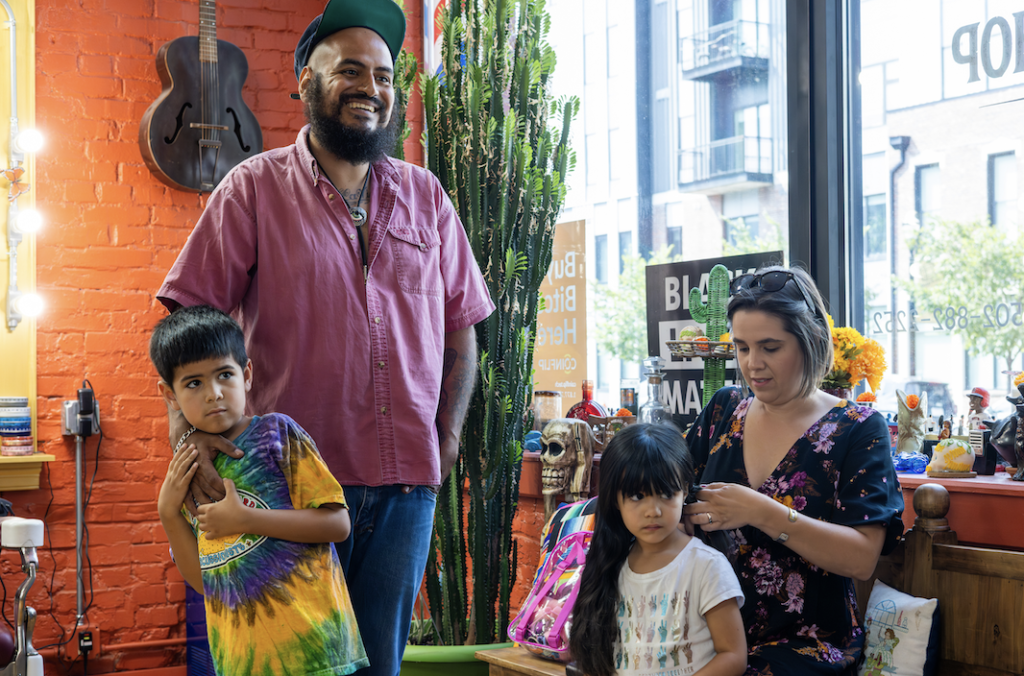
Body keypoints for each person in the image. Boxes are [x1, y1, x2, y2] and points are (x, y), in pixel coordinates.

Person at [155, 1, 495, 673]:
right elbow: (185, 321)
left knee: (380, 668)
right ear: (304, 82)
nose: (370, 85)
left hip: (405, 492)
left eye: (384, 74)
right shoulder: (251, 190)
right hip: (285, 494)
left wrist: (447, 437)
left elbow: (462, 327)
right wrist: (192, 442)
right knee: (292, 665)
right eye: (348, 70)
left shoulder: (428, 198)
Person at [682, 266, 904, 676]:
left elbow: (861, 559)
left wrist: (760, 511)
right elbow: (671, 499)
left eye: (770, 347)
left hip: (806, 647)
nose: (753, 365)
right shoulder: (723, 409)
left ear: (811, 341)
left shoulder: (857, 427)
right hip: (707, 633)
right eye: (743, 348)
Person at [151, 305, 368, 676]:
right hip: (242, 659)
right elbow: (207, 582)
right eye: (193, 383)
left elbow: (337, 525)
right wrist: (168, 513)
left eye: (224, 375)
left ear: (246, 374)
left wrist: (246, 519)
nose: (213, 393)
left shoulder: (277, 434)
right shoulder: (189, 471)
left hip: (313, 649)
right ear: (169, 395)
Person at [570, 423, 747, 676]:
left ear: (685, 489)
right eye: (636, 496)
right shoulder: (612, 565)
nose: (653, 510)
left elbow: (733, 656)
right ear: (614, 499)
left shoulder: (707, 566)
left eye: (665, 493)